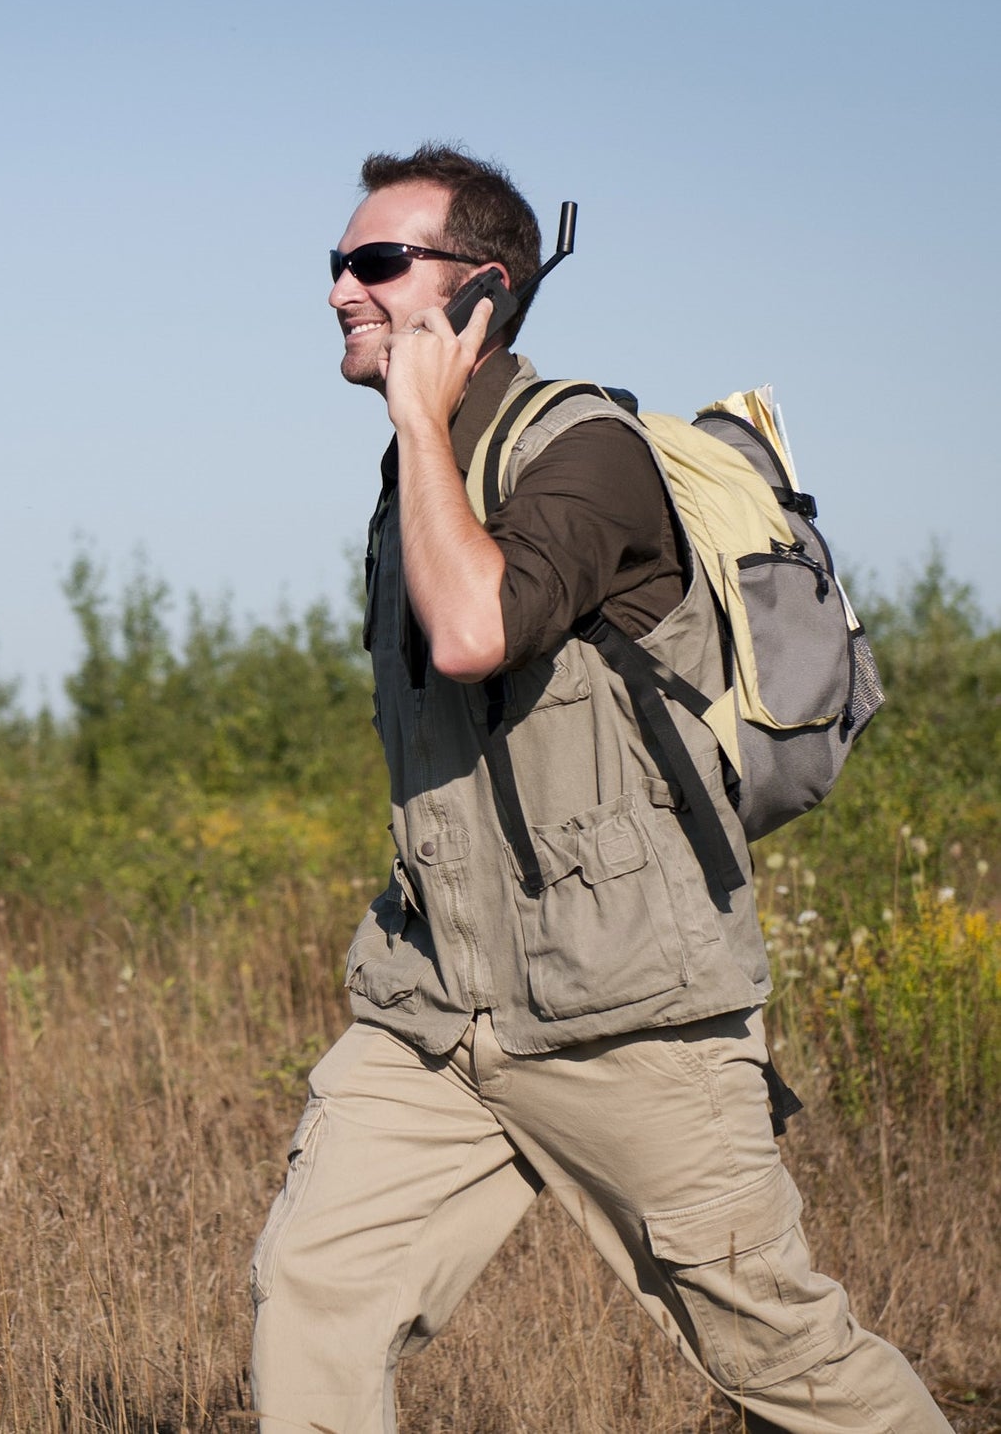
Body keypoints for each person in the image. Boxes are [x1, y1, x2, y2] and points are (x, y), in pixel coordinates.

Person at [248, 144, 952, 1434]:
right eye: (335, 264)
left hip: (626, 1011)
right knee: (315, 1291)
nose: (341, 290)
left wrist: (416, 420)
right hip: (437, 1013)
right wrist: (419, 443)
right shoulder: (415, 486)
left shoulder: (588, 452)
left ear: (481, 292)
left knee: (780, 1353)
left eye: (378, 263)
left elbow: (472, 633)